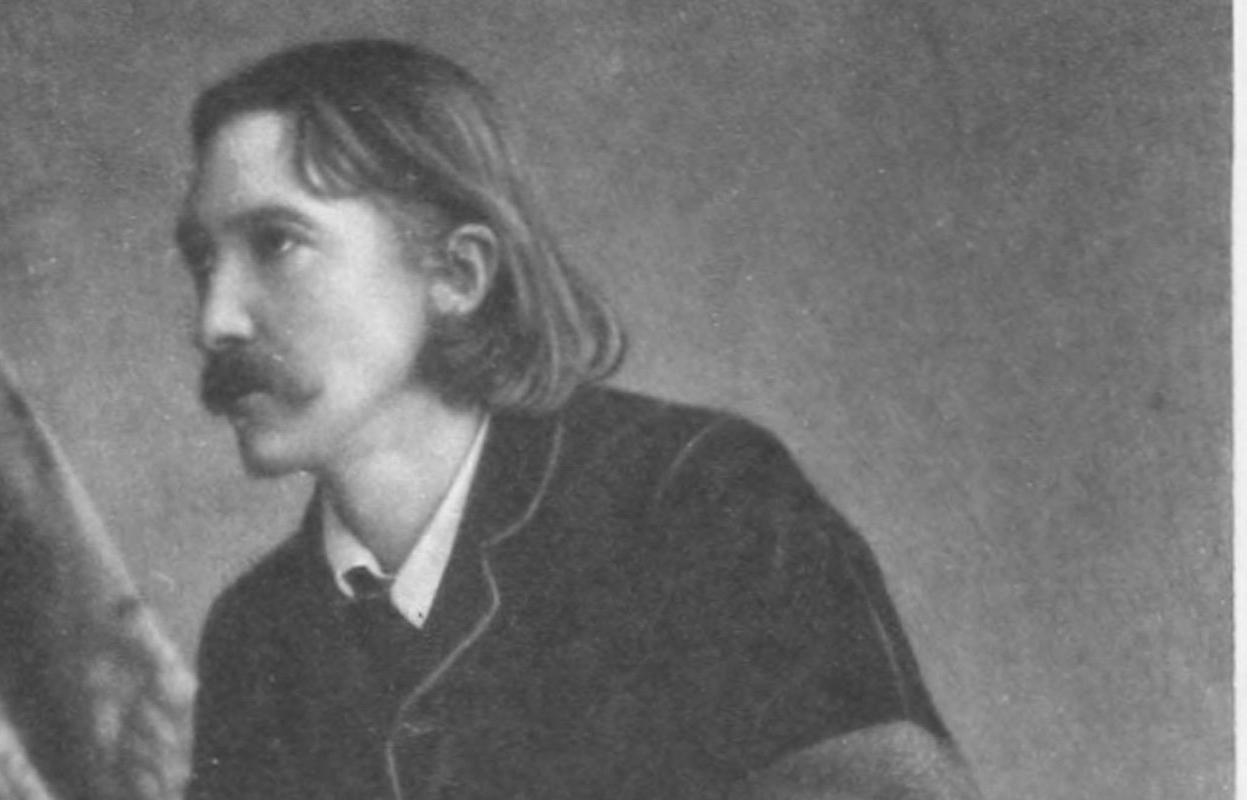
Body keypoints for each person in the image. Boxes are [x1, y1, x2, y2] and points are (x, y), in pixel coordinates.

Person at [174, 38, 979, 800]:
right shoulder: (256, 633)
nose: (216, 321)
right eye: (204, 260)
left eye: (276, 244)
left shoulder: (698, 500)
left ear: (456, 274)